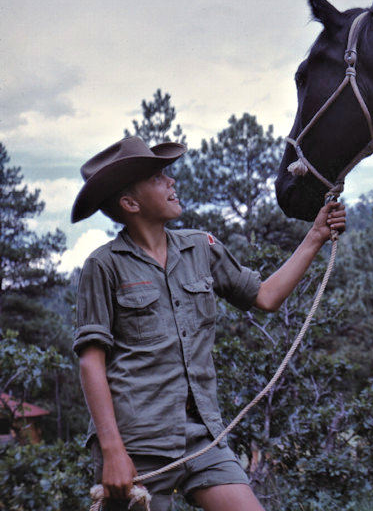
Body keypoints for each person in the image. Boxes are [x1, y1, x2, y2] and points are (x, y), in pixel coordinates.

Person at [72, 137, 346, 511]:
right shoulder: (104, 266)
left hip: (203, 438)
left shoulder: (201, 247)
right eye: (157, 178)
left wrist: (315, 236)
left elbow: (265, 296)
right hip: (136, 446)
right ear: (130, 203)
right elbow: (91, 363)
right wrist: (113, 451)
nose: (171, 181)